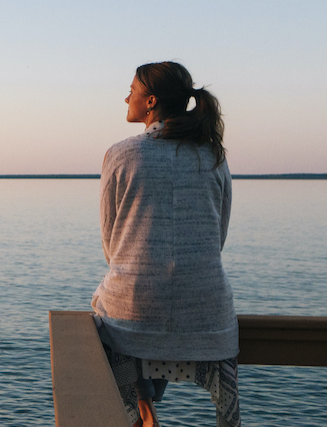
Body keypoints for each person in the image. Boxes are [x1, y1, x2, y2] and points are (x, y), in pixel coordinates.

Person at [93, 61, 239, 427]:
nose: (126, 97)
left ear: (150, 102)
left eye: (132, 91)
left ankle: (142, 406)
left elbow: (112, 247)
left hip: (134, 315)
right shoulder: (214, 156)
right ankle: (147, 403)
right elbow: (216, 238)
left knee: (105, 308)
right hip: (208, 315)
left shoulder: (121, 154)